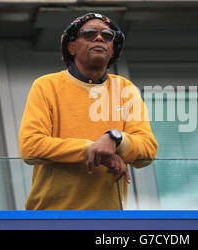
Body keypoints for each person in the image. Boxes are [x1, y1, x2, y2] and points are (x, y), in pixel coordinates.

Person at [19, 13, 158, 210]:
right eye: (90, 33)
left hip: (109, 219)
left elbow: (148, 150)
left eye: (108, 36)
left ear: (112, 50)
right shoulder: (45, 86)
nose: (100, 38)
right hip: (51, 217)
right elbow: (31, 146)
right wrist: (92, 150)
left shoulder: (126, 90)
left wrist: (115, 139)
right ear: (72, 47)